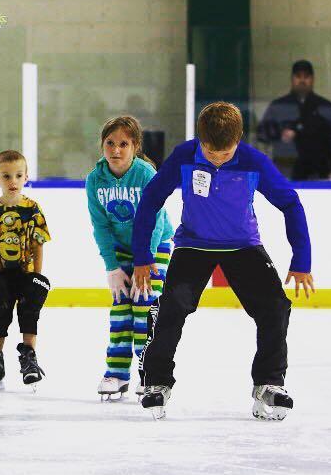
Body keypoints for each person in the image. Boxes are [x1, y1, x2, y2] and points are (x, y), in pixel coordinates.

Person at [131, 102, 315, 421]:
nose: (216, 159)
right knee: (171, 308)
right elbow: (150, 200)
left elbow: (290, 203)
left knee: (274, 308)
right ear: (199, 138)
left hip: (243, 245)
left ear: (239, 139)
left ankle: (269, 383)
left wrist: (302, 260)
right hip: (194, 245)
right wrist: (142, 256)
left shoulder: (254, 161)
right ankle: (157, 383)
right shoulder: (185, 155)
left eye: (225, 154)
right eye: (210, 153)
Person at [85, 116, 173, 400]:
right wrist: (112, 266)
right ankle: (116, 373)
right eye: (110, 143)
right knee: (121, 307)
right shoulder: (95, 180)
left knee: (144, 307)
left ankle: (148, 371)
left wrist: (143, 262)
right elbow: (101, 226)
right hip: (122, 248)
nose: (116, 150)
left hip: (153, 244)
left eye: (124, 144)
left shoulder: (146, 174)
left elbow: (156, 220)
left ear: (135, 146)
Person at [0, 150, 51, 391]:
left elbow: (39, 243)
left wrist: (36, 275)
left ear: (26, 177)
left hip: (27, 272)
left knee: (30, 309)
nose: (13, 181)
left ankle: (29, 357)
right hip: (2, 274)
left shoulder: (33, 209)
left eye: (18, 176)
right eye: (6, 176)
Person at [256, 59, 331, 180]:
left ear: (313, 79)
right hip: (285, 173)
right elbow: (261, 134)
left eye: (306, 76)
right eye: (298, 76)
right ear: (292, 79)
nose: (302, 80)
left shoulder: (325, 107)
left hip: (319, 176)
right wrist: (280, 134)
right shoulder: (279, 106)